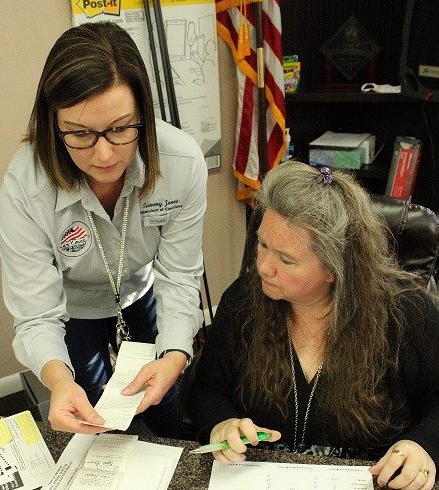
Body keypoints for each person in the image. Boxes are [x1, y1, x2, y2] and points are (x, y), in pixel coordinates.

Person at [0, 21, 207, 437]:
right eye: (79, 134)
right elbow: (36, 313)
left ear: (144, 114)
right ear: (53, 125)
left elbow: (180, 277)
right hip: (71, 306)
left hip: (144, 289)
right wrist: (58, 381)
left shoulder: (181, 163)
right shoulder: (26, 185)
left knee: (167, 403)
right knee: (93, 414)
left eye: (120, 128)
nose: (105, 154)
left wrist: (175, 356)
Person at [187, 162, 438, 489]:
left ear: (335, 269)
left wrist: (422, 447)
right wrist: (222, 423)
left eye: (286, 259)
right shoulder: (243, 301)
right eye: (262, 245)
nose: (263, 267)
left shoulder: (406, 313)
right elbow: (205, 389)